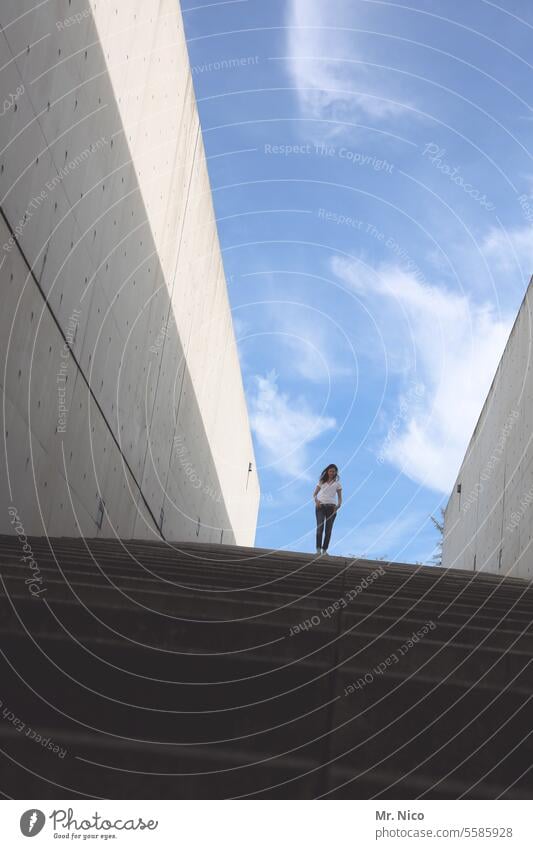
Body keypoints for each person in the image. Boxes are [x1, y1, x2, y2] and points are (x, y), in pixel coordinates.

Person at [313, 464, 342, 555]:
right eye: (330, 471)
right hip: (320, 507)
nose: (332, 473)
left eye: (333, 471)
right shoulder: (321, 481)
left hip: (331, 508)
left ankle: (324, 550)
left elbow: (340, 497)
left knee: (328, 530)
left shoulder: (337, 484)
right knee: (320, 528)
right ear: (327, 472)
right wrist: (316, 501)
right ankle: (318, 550)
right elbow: (314, 494)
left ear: (335, 473)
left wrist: (338, 505)